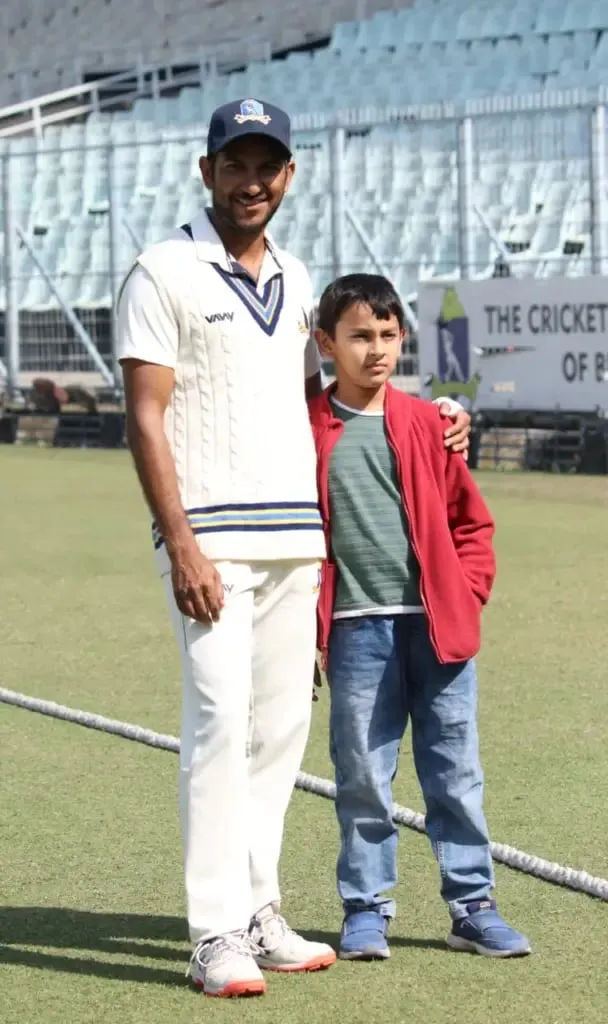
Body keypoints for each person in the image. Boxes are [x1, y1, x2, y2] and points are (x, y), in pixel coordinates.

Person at [116, 98, 473, 998]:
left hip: (296, 546)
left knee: (279, 734)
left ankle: (259, 908)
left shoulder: (298, 275)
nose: (251, 181)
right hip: (212, 548)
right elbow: (144, 414)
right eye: (234, 164)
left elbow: (327, 408)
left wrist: (436, 418)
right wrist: (182, 542)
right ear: (207, 173)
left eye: (266, 165)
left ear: (288, 175)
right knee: (218, 725)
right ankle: (212, 932)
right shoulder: (164, 271)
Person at [309, 273, 531, 962]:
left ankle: (472, 906)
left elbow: (473, 522)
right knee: (363, 777)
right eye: (358, 336)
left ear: (401, 338)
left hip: (438, 631)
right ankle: (366, 908)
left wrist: (466, 593)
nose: (376, 350)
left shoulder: (430, 424)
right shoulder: (305, 428)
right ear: (326, 343)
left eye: (387, 335)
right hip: (354, 633)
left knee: (455, 774)